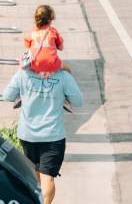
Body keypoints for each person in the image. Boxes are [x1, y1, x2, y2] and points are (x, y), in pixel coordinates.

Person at [2, 62, 83, 204]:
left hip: (27, 135)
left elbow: (8, 96)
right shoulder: (64, 76)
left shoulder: (23, 74)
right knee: (47, 177)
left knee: (34, 177)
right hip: (53, 136)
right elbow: (78, 102)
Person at [23, 4, 64, 76]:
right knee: (66, 69)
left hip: (35, 66)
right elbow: (61, 48)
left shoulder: (32, 32)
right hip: (52, 65)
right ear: (50, 20)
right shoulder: (53, 31)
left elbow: (27, 46)